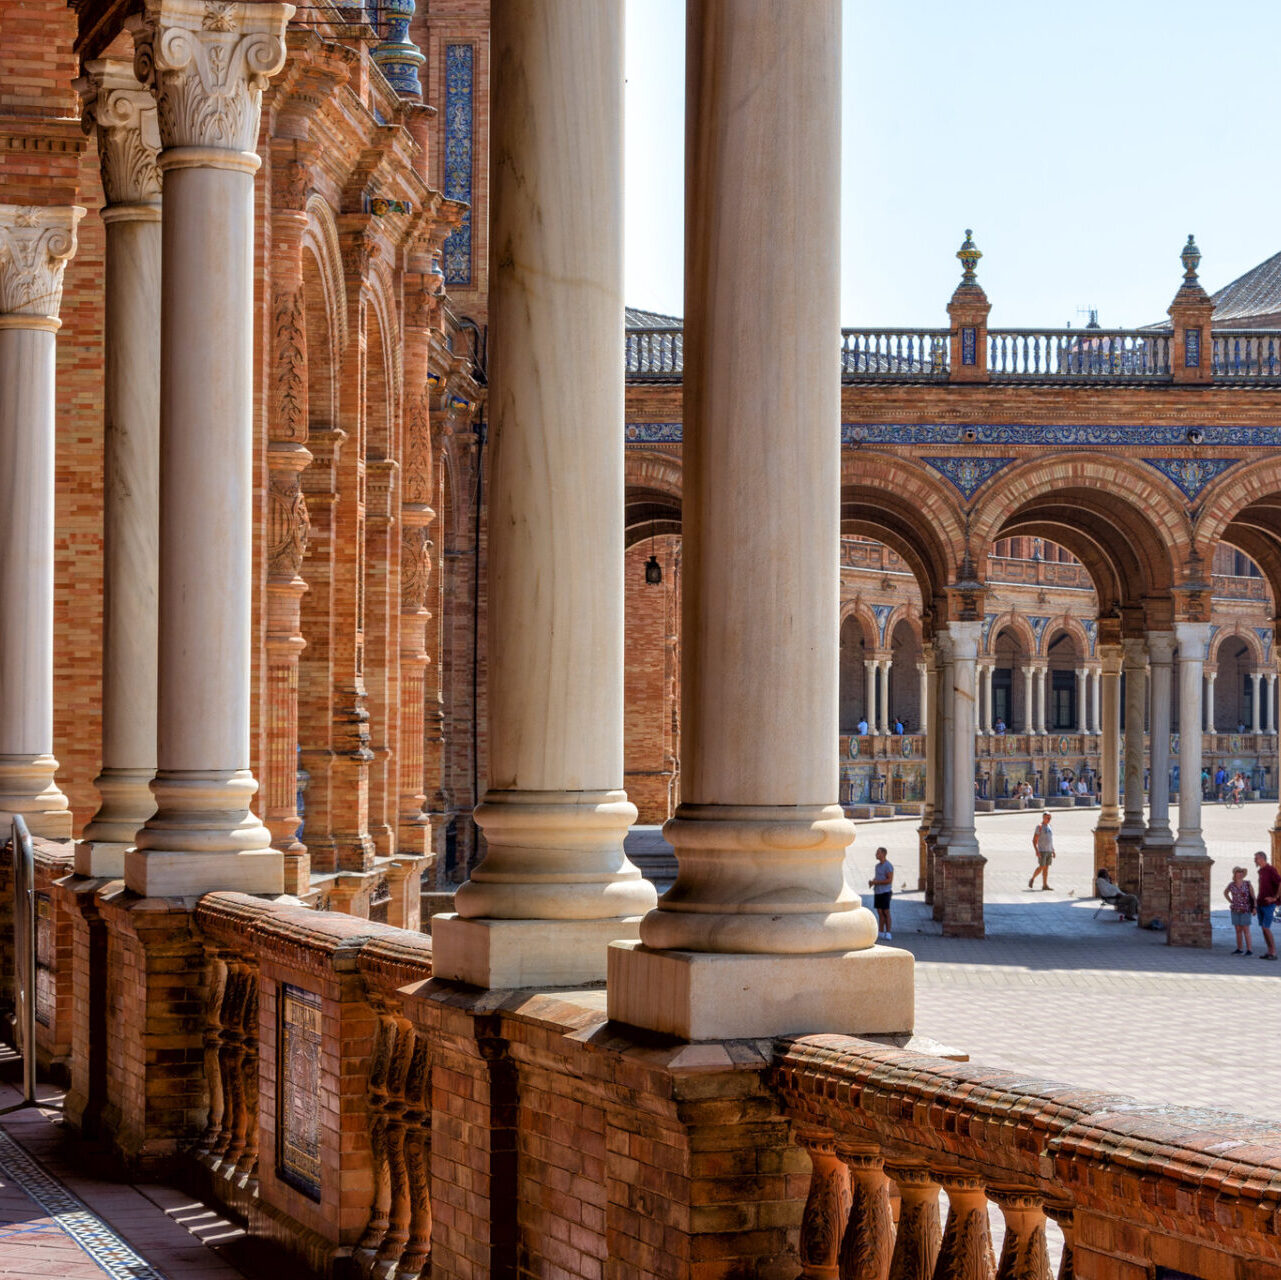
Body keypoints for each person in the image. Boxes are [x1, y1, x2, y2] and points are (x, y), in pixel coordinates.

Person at [1223, 866, 1256, 955]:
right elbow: (1225, 893)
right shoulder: (1231, 885)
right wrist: (1231, 901)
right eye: (1238, 872)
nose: (1240, 874)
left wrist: (1254, 907)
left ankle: (1249, 950)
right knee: (1238, 930)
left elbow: (1253, 896)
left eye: (1241, 872)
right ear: (1235, 874)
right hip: (1235, 909)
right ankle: (1239, 948)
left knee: (1246, 929)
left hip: (1246, 909)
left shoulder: (1247, 884)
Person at [1254, 850, 1279, 960]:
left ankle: (1273, 952)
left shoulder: (1270, 870)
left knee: (1266, 928)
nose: (1255, 860)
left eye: (1256, 858)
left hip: (1269, 904)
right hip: (1260, 903)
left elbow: (1280, 882)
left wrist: (1275, 898)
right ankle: (1269, 951)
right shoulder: (1261, 871)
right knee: (1263, 929)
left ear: (1262, 859)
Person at [868, 846, 894, 940]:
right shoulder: (877, 866)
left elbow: (889, 880)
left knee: (886, 911)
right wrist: (872, 882)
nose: (876, 854)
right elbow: (877, 877)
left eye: (878, 853)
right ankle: (881, 931)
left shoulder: (888, 866)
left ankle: (888, 932)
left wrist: (876, 882)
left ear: (883, 854)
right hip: (878, 891)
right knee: (879, 912)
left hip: (885, 892)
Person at [1028, 812, 1055, 890]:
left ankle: (1045, 885)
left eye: (1050, 818)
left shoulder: (1050, 826)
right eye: (1047, 818)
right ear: (1043, 818)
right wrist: (1037, 851)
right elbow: (1034, 840)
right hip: (1042, 850)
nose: (1049, 819)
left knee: (1046, 868)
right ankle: (1032, 878)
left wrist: (1053, 850)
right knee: (1041, 867)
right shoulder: (1039, 827)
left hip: (1049, 850)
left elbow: (1050, 840)